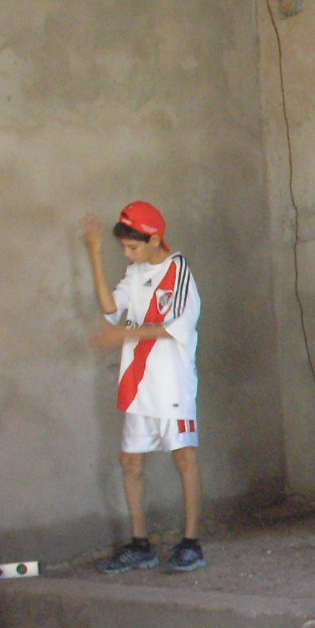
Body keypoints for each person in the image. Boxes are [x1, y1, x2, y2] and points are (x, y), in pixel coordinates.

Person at [82, 201, 205, 573]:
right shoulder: (134, 274)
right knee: (130, 462)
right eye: (123, 247)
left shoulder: (178, 271)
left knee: (184, 459)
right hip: (137, 384)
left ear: (154, 239)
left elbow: (175, 326)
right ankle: (140, 543)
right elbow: (110, 309)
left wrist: (123, 335)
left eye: (133, 247)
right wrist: (94, 252)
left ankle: (191, 542)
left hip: (171, 385)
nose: (128, 254)